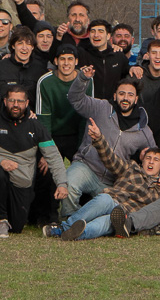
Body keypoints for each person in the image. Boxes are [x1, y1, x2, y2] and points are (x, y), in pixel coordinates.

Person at [0, 85, 68, 238]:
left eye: (20, 101)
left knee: (17, 227)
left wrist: (62, 184)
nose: (15, 105)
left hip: (22, 179)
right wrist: (1, 161)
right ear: (5, 101)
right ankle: (0, 220)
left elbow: (53, 156)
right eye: (12, 100)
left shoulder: (36, 126)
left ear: (27, 102)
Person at [50, 121, 160, 240]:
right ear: (143, 160)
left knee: (106, 222)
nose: (151, 162)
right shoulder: (131, 168)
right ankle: (66, 227)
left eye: (156, 160)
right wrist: (99, 140)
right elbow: (111, 160)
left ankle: (74, 234)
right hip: (111, 200)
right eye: (148, 158)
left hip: (122, 215)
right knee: (105, 199)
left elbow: (153, 214)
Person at [63, 75, 155, 215]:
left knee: (109, 211)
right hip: (87, 167)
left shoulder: (143, 130)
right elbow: (75, 99)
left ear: (136, 99)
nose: (125, 98)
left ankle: (83, 221)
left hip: (113, 180)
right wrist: (82, 79)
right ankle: (68, 219)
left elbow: (156, 156)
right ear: (115, 95)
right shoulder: (101, 107)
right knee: (69, 183)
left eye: (130, 95)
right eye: (121, 93)